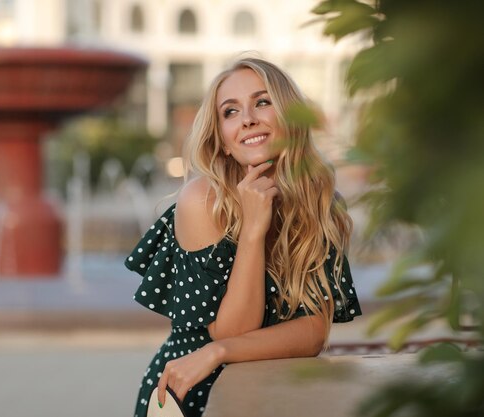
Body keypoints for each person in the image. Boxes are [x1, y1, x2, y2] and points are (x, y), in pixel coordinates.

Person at [125, 57, 362, 417]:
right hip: (193, 391)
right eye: (230, 112)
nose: (248, 118)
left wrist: (217, 352)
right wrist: (253, 231)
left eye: (262, 102)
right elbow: (233, 330)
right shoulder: (202, 201)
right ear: (222, 140)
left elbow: (314, 331)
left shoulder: (321, 202)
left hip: (271, 389)